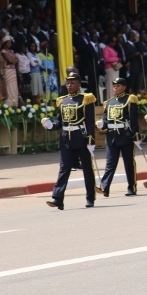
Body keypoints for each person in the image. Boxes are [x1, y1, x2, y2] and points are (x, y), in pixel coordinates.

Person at [41, 73, 97, 209]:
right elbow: (60, 121)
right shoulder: (62, 100)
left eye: (73, 83)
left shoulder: (86, 99)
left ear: (79, 84)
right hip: (66, 137)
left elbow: (90, 122)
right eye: (68, 83)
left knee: (87, 168)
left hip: (81, 137)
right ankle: (58, 198)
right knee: (64, 168)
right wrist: (51, 125)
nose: (69, 85)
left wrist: (91, 139)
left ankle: (90, 197)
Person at [96, 77, 140, 197]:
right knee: (110, 164)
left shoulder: (129, 100)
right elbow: (106, 119)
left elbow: (133, 120)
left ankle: (132, 187)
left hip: (125, 135)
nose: (115, 88)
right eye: (114, 86)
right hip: (112, 136)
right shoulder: (109, 102)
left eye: (118, 85)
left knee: (129, 163)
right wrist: (102, 124)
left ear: (124, 87)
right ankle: (105, 187)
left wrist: (134, 135)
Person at [0, 36, 19, 106]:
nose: (10, 44)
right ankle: (8, 104)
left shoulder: (12, 51)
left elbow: (17, 60)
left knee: (14, 87)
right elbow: (10, 60)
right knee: (9, 87)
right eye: (8, 42)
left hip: (13, 71)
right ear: (4, 43)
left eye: (10, 42)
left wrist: (13, 61)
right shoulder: (3, 51)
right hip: (7, 71)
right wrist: (14, 61)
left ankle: (15, 104)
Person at [103, 35, 121, 100]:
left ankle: (116, 97)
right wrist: (117, 59)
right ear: (109, 41)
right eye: (112, 42)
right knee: (111, 84)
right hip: (110, 68)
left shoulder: (113, 49)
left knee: (116, 83)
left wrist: (118, 60)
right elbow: (106, 59)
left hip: (116, 68)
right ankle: (111, 99)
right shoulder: (106, 48)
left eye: (115, 42)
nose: (114, 43)